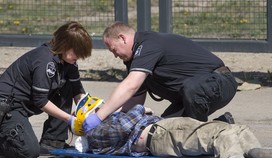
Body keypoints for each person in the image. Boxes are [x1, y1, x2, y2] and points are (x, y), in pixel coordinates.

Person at [82, 21, 238, 134]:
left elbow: (130, 85)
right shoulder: (134, 60)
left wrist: (98, 116)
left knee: (192, 92)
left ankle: (203, 134)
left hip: (219, 82)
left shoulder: (148, 44)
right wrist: (111, 114)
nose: (115, 55)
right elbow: (135, 101)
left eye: (114, 50)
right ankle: (222, 126)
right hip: (191, 95)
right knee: (161, 131)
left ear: (122, 38)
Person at [0, 21, 92, 158]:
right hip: (7, 105)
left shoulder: (67, 61)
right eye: (77, 52)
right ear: (65, 46)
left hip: (26, 104)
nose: (79, 57)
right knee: (29, 151)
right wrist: (70, 119)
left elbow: (77, 90)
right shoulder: (45, 60)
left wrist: (86, 111)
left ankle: (53, 141)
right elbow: (40, 100)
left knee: (67, 85)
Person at [79, 101, 272, 158]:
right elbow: (123, 127)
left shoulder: (102, 127)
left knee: (236, 129)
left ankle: (253, 151)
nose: (103, 109)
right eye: (98, 108)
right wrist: (141, 109)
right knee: (219, 132)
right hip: (161, 134)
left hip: (165, 130)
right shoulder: (96, 133)